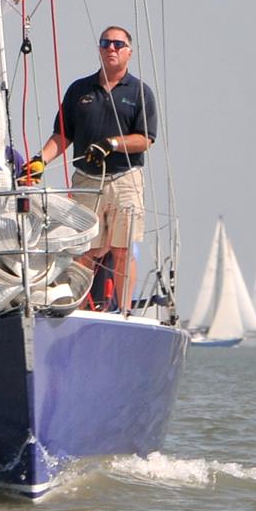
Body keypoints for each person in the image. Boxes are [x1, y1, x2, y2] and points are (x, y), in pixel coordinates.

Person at [32, 26, 157, 311]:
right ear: (99, 49)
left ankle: (125, 311)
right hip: (87, 180)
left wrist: (111, 143)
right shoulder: (80, 89)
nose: (111, 48)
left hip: (126, 179)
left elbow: (145, 139)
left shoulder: (139, 92)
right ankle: (75, 307)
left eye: (117, 44)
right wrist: (39, 161)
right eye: (105, 43)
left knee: (122, 249)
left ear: (129, 52)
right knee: (84, 249)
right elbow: (62, 135)